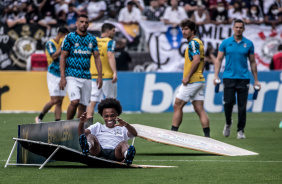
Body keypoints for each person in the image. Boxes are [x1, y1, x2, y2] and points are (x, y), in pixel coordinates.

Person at [213, 19, 261, 139]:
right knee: (228, 103)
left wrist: (256, 80)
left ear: (243, 29)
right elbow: (218, 60)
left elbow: (253, 62)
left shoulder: (249, 43)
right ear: (233, 28)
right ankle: (228, 123)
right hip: (228, 77)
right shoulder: (225, 42)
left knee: (242, 106)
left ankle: (240, 130)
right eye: (237, 27)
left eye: (241, 27)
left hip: (243, 78)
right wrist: (215, 76)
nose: (238, 29)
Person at [171, 19, 210, 138]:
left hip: (192, 80)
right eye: (182, 29)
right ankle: (207, 137)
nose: (183, 31)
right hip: (199, 79)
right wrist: (199, 74)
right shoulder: (199, 42)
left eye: (186, 29)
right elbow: (202, 62)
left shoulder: (193, 43)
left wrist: (188, 77)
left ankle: (172, 134)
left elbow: (197, 60)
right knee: (199, 108)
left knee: (177, 105)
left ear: (193, 30)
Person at [60, 14, 103, 120]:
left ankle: (77, 130)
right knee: (75, 101)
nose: (84, 24)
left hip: (86, 76)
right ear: (77, 23)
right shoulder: (69, 38)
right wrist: (62, 77)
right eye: (82, 22)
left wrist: (99, 76)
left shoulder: (92, 39)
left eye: (86, 22)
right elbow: (63, 57)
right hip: (72, 74)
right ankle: (67, 124)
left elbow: (97, 58)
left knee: (83, 106)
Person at [78, 98, 137, 165]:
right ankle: (86, 147)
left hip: (116, 154)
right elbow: (82, 134)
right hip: (98, 151)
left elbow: (134, 134)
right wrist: (81, 122)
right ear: (102, 115)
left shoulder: (122, 128)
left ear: (117, 114)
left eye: (112, 116)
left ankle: (127, 156)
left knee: (124, 143)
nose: (109, 119)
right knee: (91, 136)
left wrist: (126, 125)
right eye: (106, 116)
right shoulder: (98, 126)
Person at [35, 27, 70, 123]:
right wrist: (62, 46)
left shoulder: (67, 44)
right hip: (53, 74)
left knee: (60, 101)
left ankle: (57, 122)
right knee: (54, 100)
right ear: (61, 34)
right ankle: (40, 117)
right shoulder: (50, 43)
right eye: (66, 36)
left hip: (63, 73)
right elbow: (54, 56)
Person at [87, 23, 118, 118]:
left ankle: (87, 125)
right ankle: (113, 126)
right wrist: (114, 72)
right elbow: (110, 56)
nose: (114, 33)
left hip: (94, 76)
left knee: (92, 101)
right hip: (107, 76)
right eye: (113, 31)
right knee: (112, 102)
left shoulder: (94, 41)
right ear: (108, 31)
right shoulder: (110, 42)